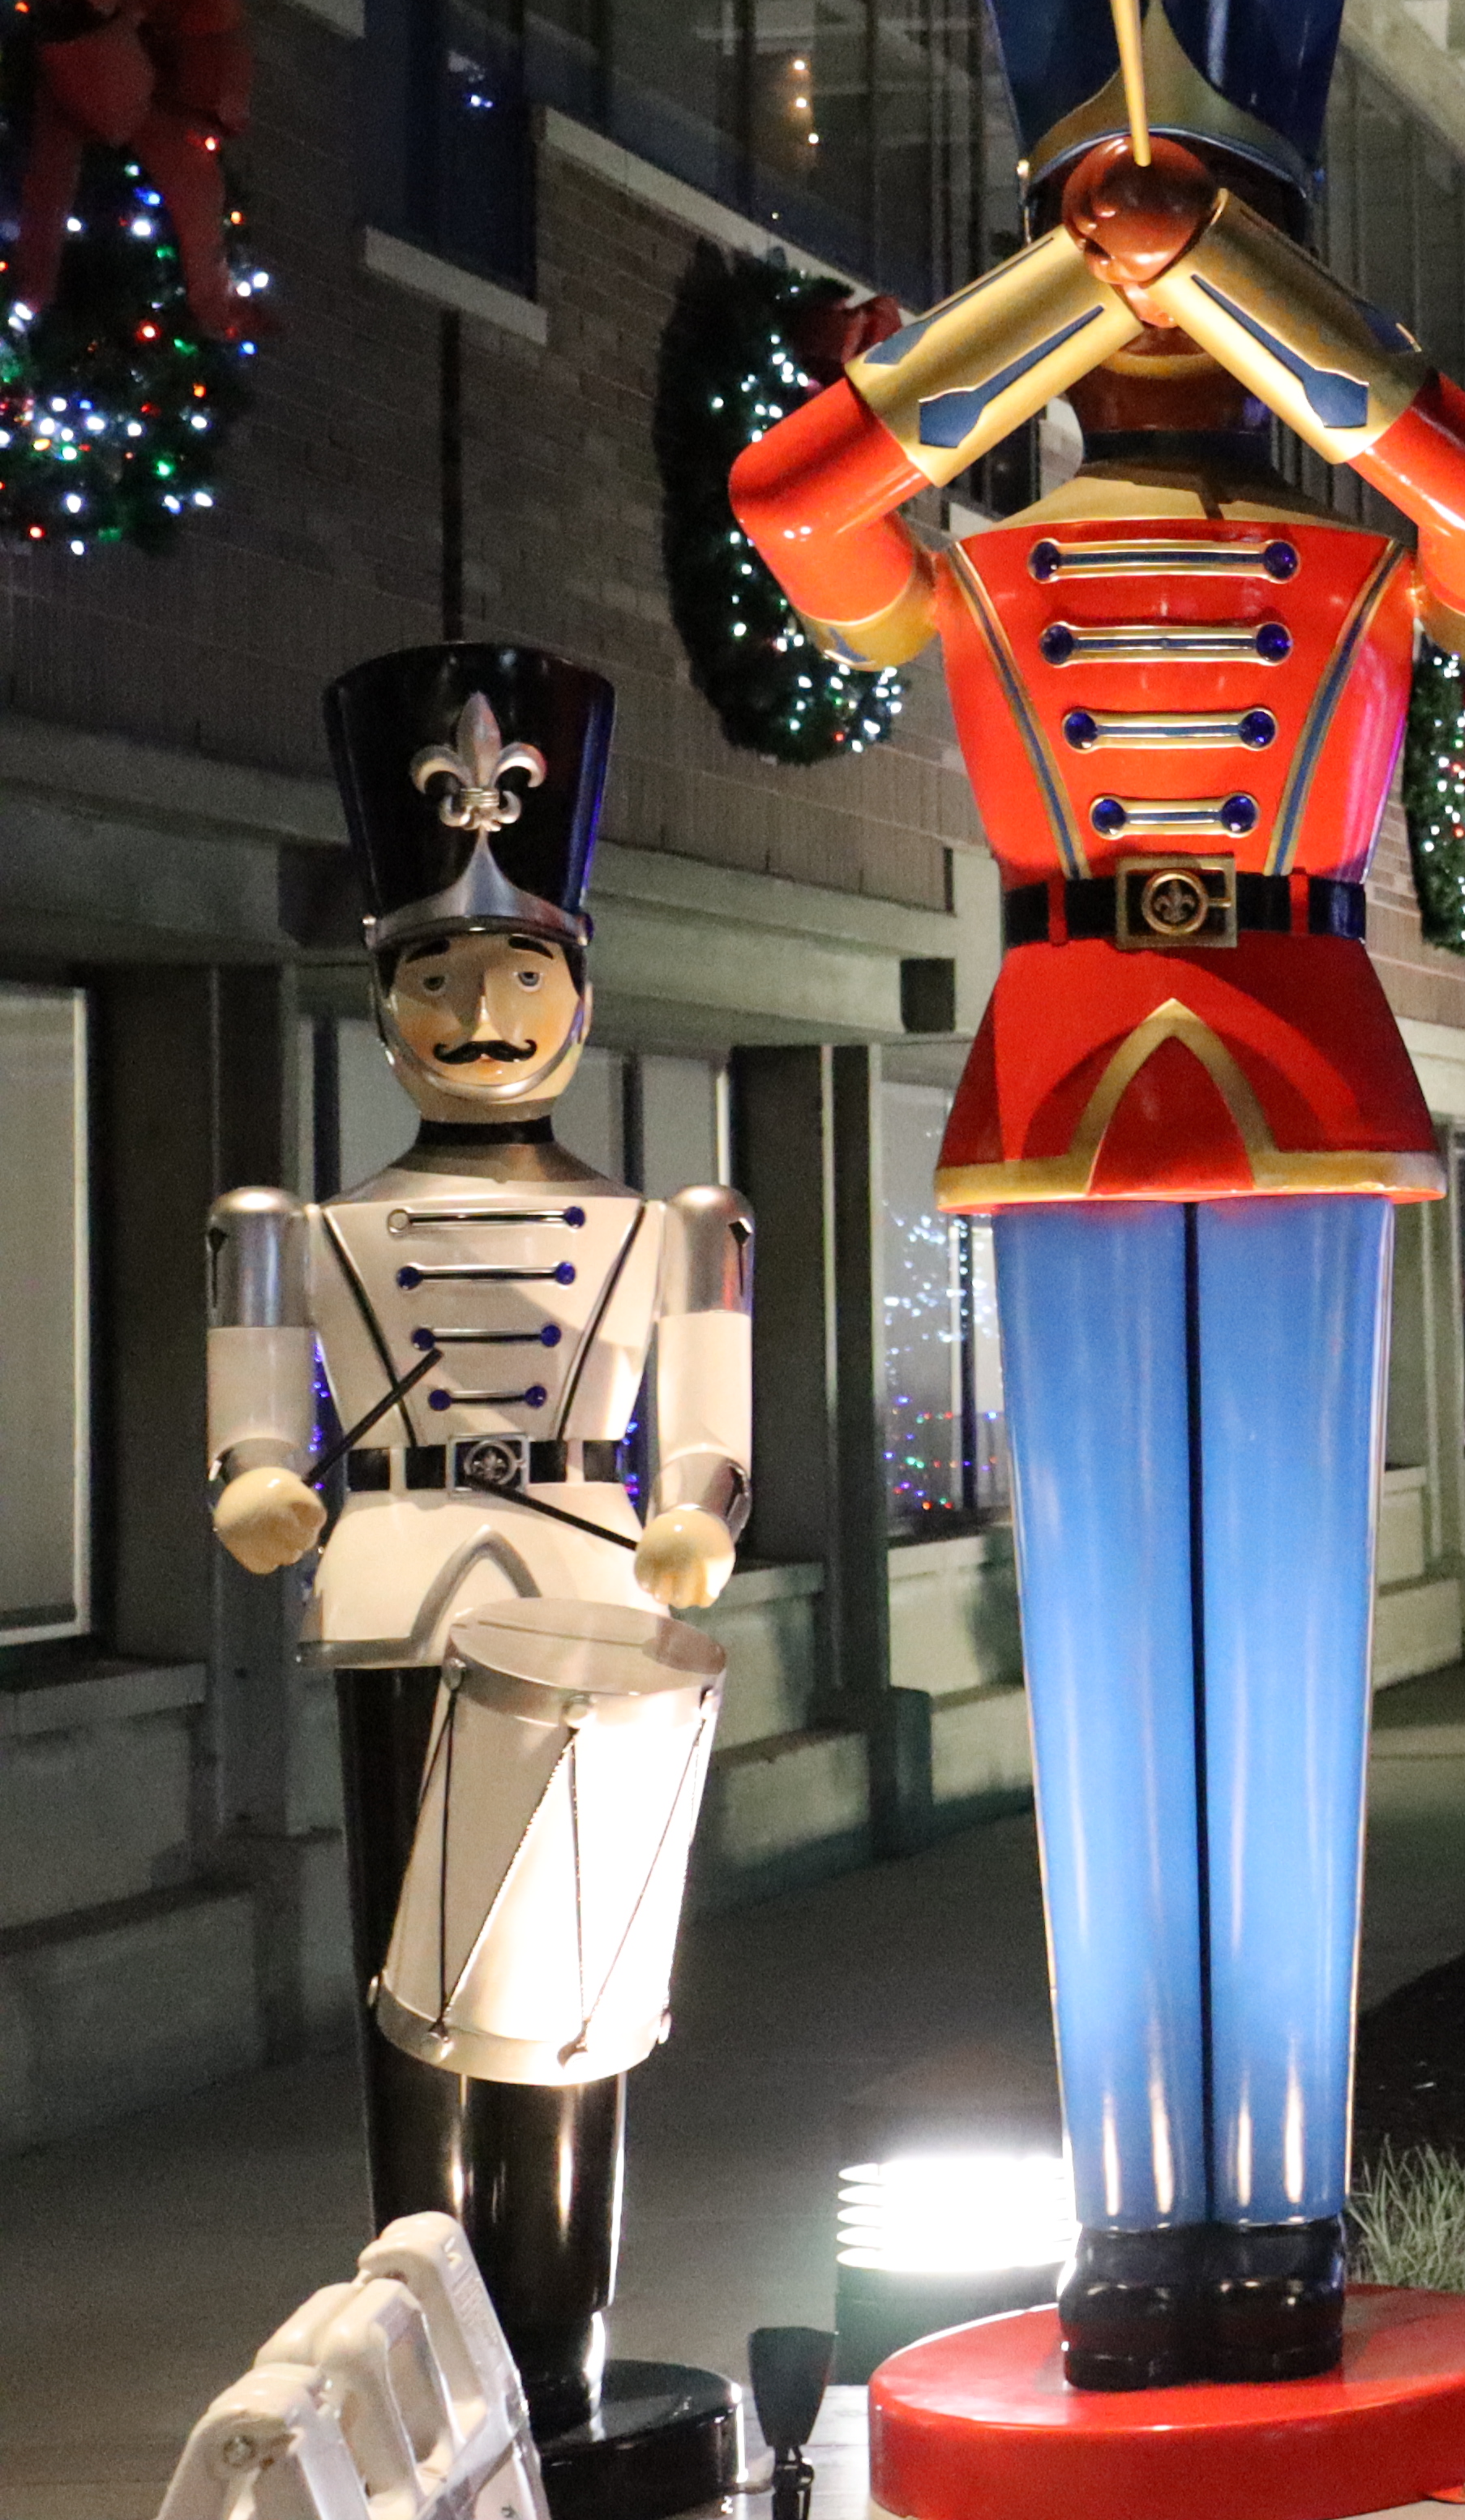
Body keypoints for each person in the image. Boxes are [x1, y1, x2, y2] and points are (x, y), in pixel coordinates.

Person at [729, 0, 1465, 2392]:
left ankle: (1276, 2215)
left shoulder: (1364, 534)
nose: (1170, 304)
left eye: (1211, 246)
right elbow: (792, 521)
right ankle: (1137, 2224)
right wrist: (1050, 295)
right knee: (1110, 1657)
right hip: (1080, 1065)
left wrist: (1250, 282)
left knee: (1280, 1661)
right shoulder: (973, 523)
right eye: (1125, 248)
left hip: (1300, 1063)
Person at [207, 642, 752, 2514]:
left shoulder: (663, 1223)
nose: (484, 1005)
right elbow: (257, 1418)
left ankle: (559, 2326)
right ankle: (420, 2320)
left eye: (522, 971)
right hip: (394, 1586)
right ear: (383, 1008)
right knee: (407, 1997)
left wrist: (697, 1505)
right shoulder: (308, 1229)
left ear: (581, 996)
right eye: (440, 974)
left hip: (591, 1596)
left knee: (576, 1999)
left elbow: (711, 1419)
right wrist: (263, 1478)